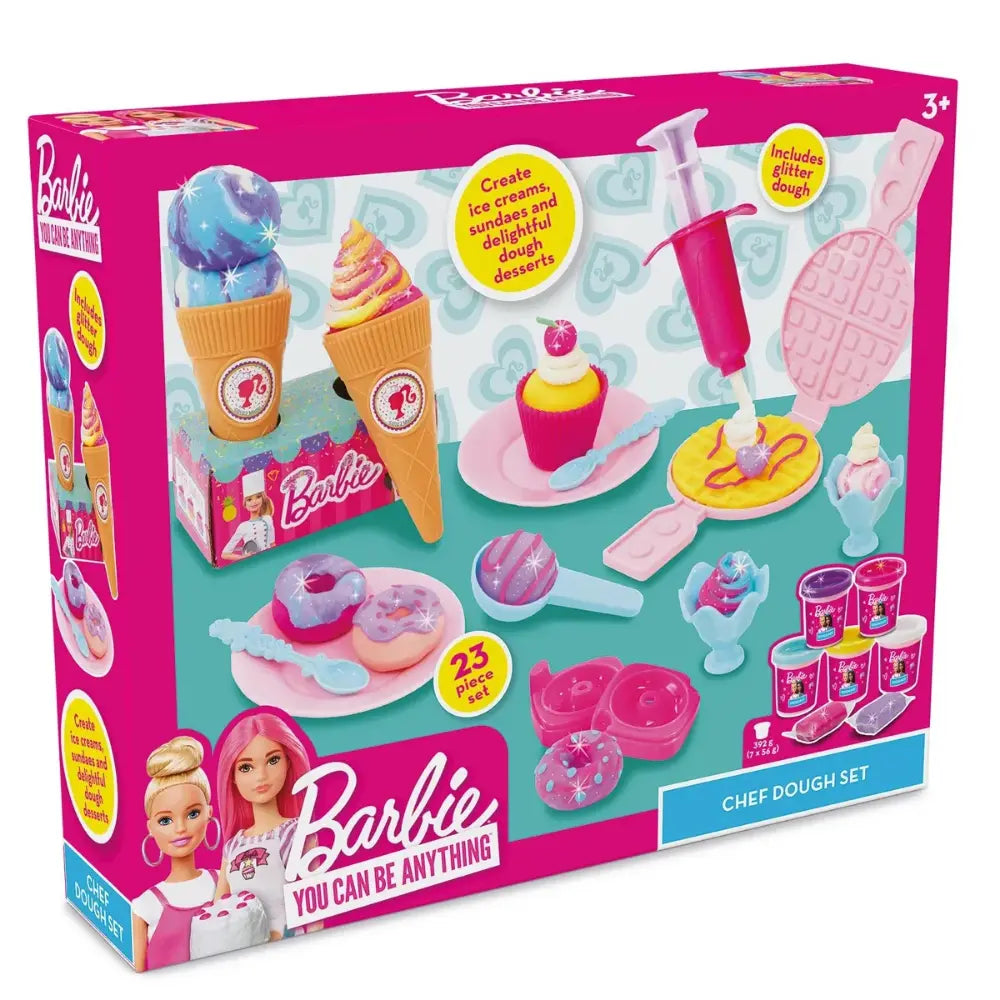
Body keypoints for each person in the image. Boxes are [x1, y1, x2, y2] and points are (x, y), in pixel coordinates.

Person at [215, 713, 312, 939]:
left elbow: (314, 902)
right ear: (232, 776)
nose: (261, 776)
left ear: (288, 762)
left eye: (273, 760)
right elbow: (219, 909)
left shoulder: (297, 832)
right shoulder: (233, 846)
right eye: (246, 767)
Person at [132, 736, 220, 972]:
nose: (180, 828)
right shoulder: (145, 905)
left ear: (209, 813)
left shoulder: (223, 880)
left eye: (192, 814)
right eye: (165, 820)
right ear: (150, 827)